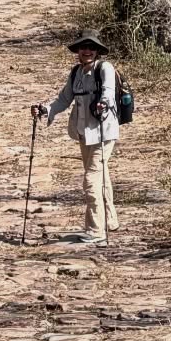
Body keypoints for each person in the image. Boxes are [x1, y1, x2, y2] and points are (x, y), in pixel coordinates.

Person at [33, 31, 120, 243]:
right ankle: (110, 220)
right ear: (78, 51)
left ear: (97, 50)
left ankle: (96, 230)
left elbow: (108, 91)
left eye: (91, 47)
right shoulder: (76, 73)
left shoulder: (105, 68)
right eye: (83, 47)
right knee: (101, 175)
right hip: (83, 132)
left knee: (91, 179)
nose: (87, 51)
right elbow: (63, 99)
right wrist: (45, 110)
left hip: (103, 132)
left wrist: (104, 103)